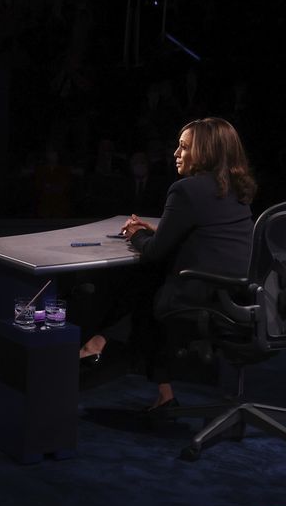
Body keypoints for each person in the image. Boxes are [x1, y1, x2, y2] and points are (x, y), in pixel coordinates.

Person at [80, 117, 257, 410]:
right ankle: (154, 385)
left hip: (197, 297)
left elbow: (153, 252)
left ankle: (96, 339)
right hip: (234, 296)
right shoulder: (237, 189)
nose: (175, 154)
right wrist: (157, 232)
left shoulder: (186, 189)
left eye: (184, 147)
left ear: (206, 152)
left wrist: (136, 233)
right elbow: (205, 234)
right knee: (148, 282)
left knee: (141, 278)